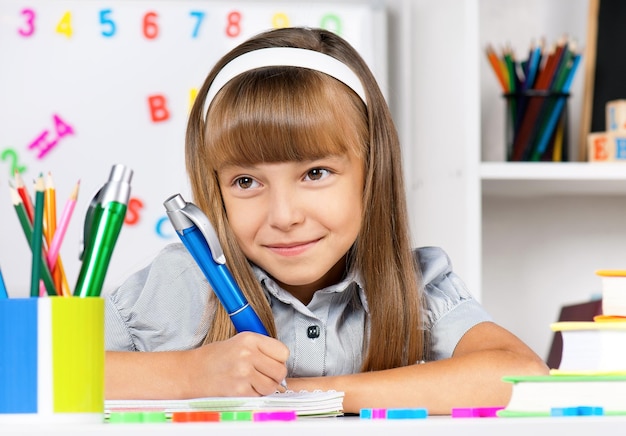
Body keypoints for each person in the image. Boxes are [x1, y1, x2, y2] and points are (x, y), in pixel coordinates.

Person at [104, 26, 548, 415]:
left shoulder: (417, 284)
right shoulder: (183, 281)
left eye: (315, 174)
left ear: (372, 173)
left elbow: (520, 375)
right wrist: (190, 376)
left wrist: (305, 395)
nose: (284, 216)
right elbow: (39, 374)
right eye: (245, 181)